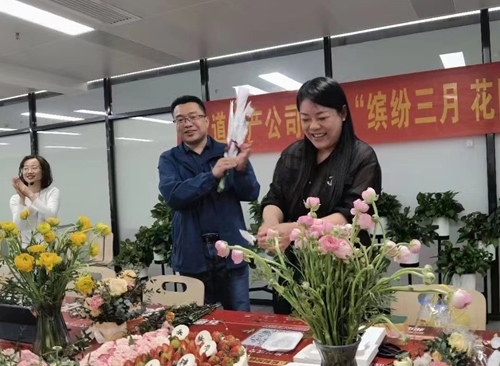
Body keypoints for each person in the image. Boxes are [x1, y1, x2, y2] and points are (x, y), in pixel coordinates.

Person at [259, 77, 382, 313]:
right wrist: (271, 226)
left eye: (322, 118)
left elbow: (351, 215)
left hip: (342, 270)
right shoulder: (293, 154)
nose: (313, 127)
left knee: (337, 330)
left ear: (343, 113)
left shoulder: (362, 157)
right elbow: (275, 197)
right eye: (305, 119)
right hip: (294, 268)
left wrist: (295, 230)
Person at [159, 95, 260, 312]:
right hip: (193, 252)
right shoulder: (169, 159)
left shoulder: (228, 152)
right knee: (198, 319)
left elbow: (251, 193)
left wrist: (241, 169)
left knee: (240, 317)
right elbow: (175, 196)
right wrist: (212, 176)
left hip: (231, 250)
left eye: (193, 117)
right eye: (180, 119)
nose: (188, 123)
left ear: (206, 120)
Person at [9, 155, 60, 241]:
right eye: (25, 168)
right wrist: (22, 198)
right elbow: (18, 227)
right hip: (25, 246)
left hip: (48, 245)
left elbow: (51, 217)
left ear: (43, 171)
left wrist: (30, 194)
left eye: (34, 168)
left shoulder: (52, 192)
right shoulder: (15, 199)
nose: (29, 172)